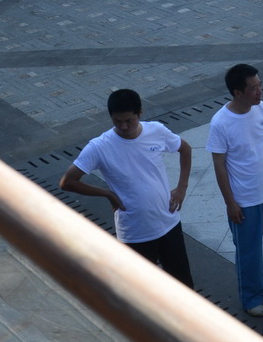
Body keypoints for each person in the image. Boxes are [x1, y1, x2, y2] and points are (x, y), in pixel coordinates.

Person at [60, 88, 194, 287]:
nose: (123, 126)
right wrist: (107, 194)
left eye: (129, 120)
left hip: (168, 223)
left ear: (140, 113)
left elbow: (185, 149)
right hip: (134, 232)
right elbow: (67, 182)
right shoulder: (99, 147)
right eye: (117, 121)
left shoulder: (156, 131)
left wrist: (182, 187)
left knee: (183, 286)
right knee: (141, 290)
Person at [207, 64, 263, 317]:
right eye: (253, 88)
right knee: (249, 252)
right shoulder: (221, 123)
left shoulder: (261, 108)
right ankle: (251, 297)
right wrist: (230, 203)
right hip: (245, 200)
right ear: (237, 92)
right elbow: (219, 165)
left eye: (260, 85)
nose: (260, 91)